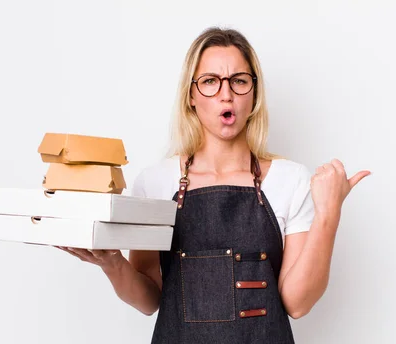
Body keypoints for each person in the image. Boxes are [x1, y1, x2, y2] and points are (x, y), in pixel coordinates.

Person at [57, 27, 370, 343]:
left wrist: (329, 216)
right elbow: (149, 300)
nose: (226, 93)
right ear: (191, 97)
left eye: (239, 81)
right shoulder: (154, 183)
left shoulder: (290, 181)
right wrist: (111, 262)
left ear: (254, 94)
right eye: (209, 81)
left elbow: (297, 303)